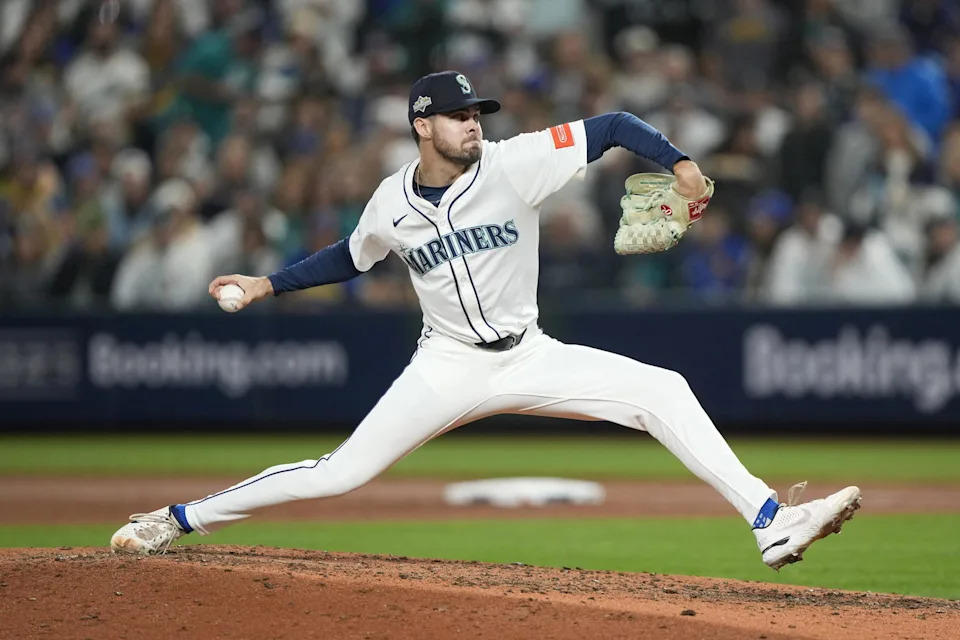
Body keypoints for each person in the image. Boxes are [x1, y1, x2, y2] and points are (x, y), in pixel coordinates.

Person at [110, 71, 861, 570]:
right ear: (421, 124)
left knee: (662, 388)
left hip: (530, 353)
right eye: (460, 116)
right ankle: (174, 518)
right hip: (447, 366)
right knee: (340, 474)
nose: (474, 124)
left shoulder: (512, 164)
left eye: (477, 114)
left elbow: (612, 125)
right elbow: (350, 256)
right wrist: (265, 284)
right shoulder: (390, 202)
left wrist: (683, 162)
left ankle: (769, 519)